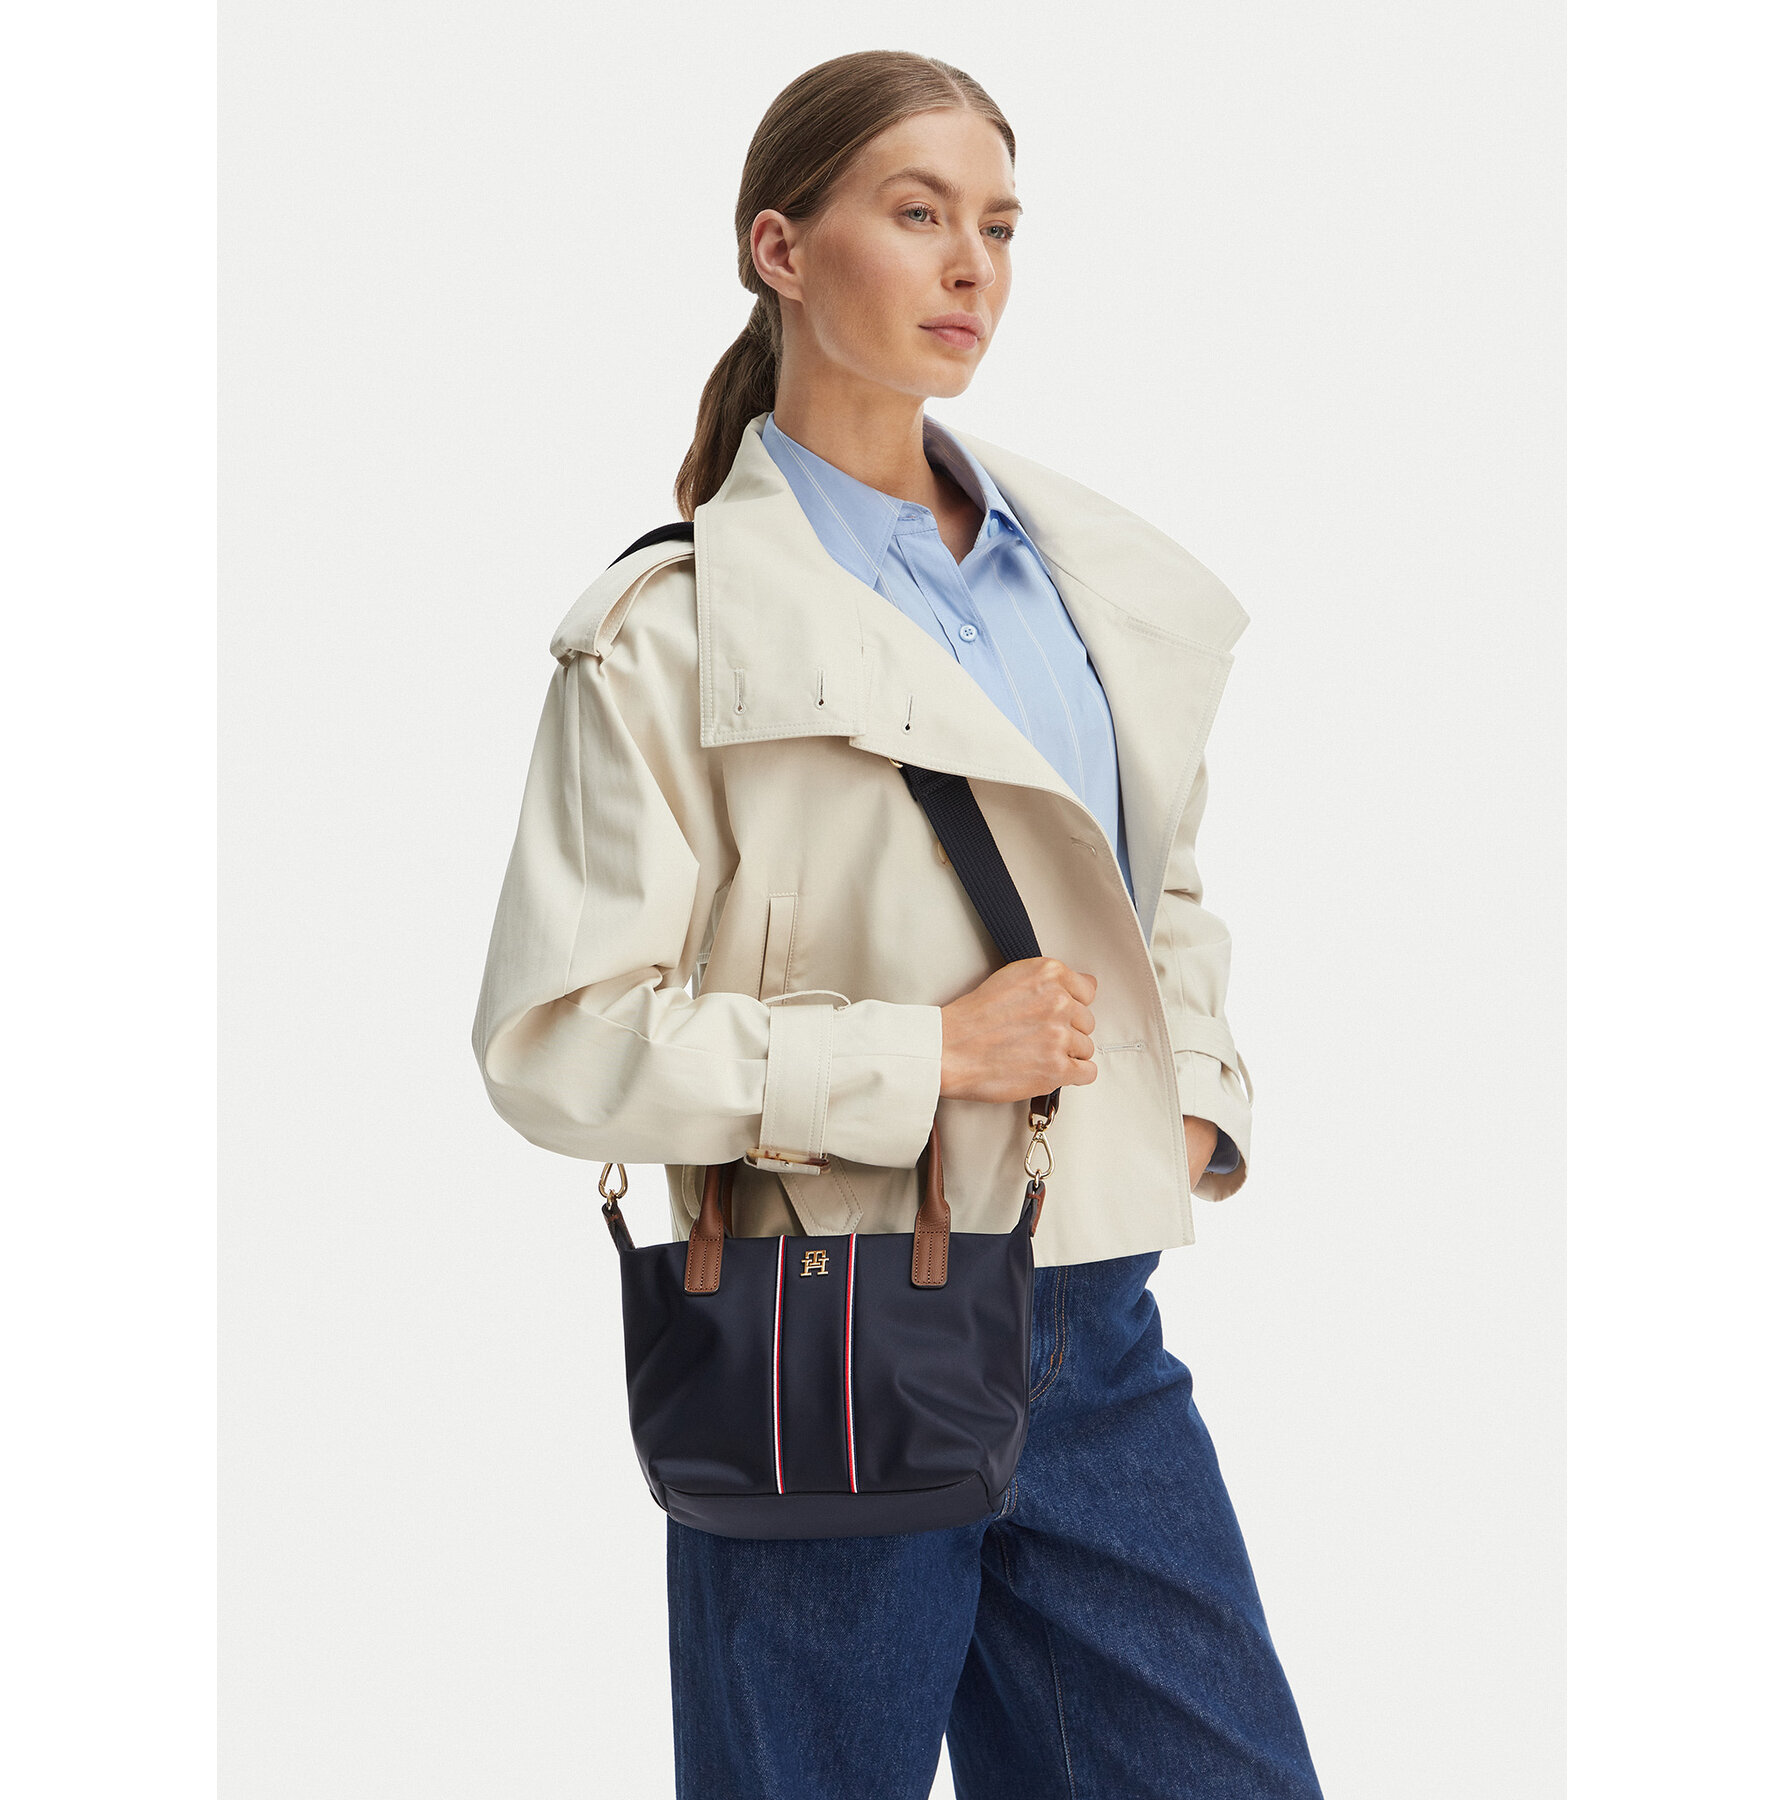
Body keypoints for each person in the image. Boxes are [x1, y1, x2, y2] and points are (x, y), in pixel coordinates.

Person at [472, 48, 1324, 1800]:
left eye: (1000, 226)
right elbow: (558, 1040)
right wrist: (925, 1059)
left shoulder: (1082, 585)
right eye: (918, 213)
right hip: (827, 1327)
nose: (971, 267)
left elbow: (1152, 883)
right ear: (780, 249)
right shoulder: (669, 634)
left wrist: (1197, 1101)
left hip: (1093, 1316)